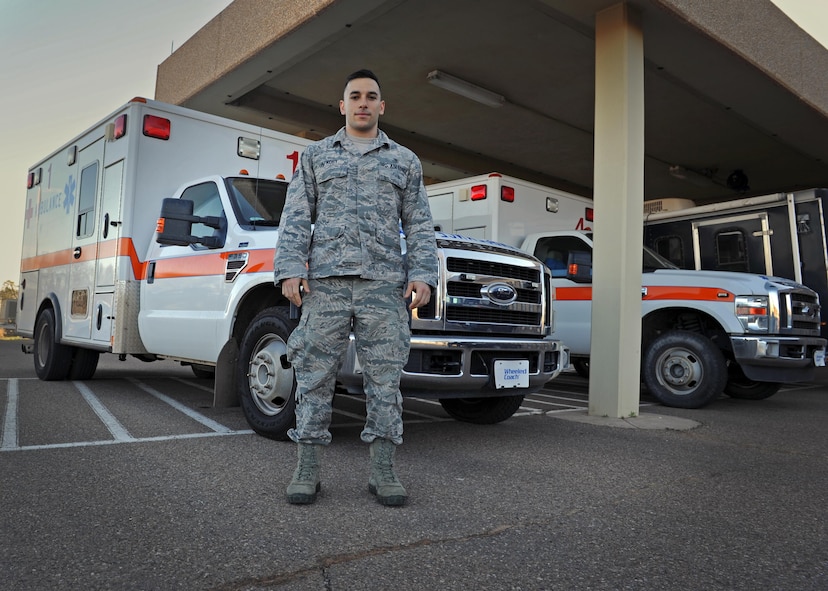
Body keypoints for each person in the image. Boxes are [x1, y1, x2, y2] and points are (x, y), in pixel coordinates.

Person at [274, 69, 438, 506]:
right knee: (313, 376)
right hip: (326, 284)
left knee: (384, 381)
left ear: (382, 107)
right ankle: (306, 469)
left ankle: (383, 472)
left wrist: (422, 274)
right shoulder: (315, 157)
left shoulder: (404, 161)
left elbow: (419, 224)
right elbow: (295, 215)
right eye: (355, 96)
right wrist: (291, 269)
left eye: (372, 97)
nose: (363, 103)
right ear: (342, 105)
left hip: (384, 286)